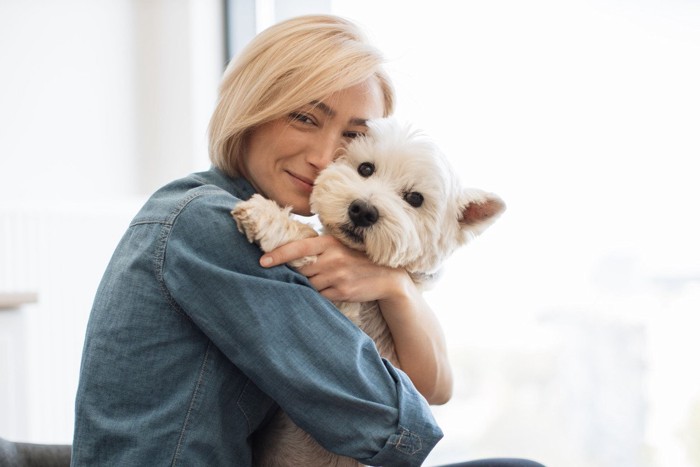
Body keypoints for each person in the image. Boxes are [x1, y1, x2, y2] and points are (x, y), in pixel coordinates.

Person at [71, 14, 543, 467]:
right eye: (304, 117)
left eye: (352, 135)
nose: (322, 156)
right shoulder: (214, 224)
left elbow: (435, 388)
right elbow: (391, 425)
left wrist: (394, 285)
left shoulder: (207, 209)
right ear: (252, 107)